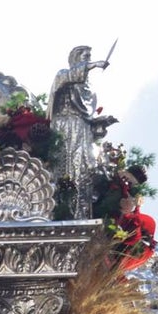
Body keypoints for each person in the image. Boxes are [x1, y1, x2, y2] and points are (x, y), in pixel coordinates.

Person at [50, 46, 117, 219]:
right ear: (75, 59)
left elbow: (88, 114)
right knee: (63, 165)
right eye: (85, 57)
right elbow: (71, 76)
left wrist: (100, 124)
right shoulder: (63, 75)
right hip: (64, 126)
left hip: (82, 129)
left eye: (89, 58)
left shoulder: (89, 90)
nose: (88, 61)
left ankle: (80, 212)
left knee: (83, 168)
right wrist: (94, 65)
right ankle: (59, 208)